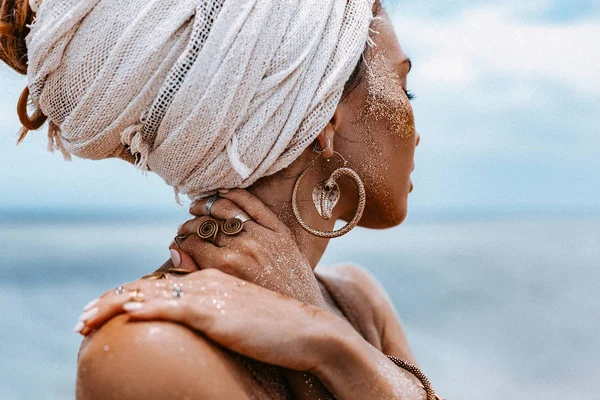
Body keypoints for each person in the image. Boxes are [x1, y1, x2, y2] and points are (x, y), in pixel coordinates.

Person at [1, 0, 440, 398]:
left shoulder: (356, 303)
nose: (419, 132)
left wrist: (329, 341)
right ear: (324, 115)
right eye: (404, 88)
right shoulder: (148, 350)